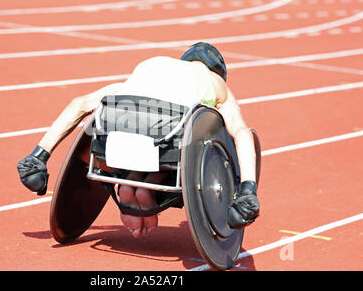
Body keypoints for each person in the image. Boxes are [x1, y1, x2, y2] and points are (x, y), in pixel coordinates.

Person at [17, 42, 260, 239]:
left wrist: (39, 155)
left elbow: (80, 104)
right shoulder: (216, 83)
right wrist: (248, 189)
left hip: (113, 140)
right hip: (167, 144)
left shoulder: (153, 65)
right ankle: (143, 189)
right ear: (219, 72)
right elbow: (241, 132)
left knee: (141, 123)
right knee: (185, 134)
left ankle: (132, 186)